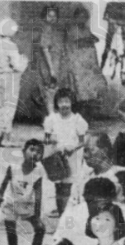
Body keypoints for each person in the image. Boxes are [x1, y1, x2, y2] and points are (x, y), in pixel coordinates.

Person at [52, 175, 125, 245]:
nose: (99, 209)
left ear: (112, 200)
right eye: (94, 203)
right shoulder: (71, 215)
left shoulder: (123, 211)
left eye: (104, 203)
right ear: (85, 199)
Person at [0, 139, 46, 245]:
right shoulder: (13, 168)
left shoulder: (38, 172)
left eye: (39, 152)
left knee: (41, 228)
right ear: (23, 151)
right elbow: (3, 184)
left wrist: (36, 215)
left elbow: (38, 195)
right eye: (32, 149)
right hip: (11, 204)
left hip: (27, 205)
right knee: (11, 235)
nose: (35, 154)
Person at [43, 87, 88, 216]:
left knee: (67, 188)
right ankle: (61, 212)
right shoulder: (52, 119)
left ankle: (65, 214)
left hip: (71, 157)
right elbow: (45, 140)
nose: (64, 105)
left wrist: (73, 147)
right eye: (61, 102)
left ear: (72, 102)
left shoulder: (78, 120)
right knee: (58, 186)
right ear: (56, 103)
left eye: (67, 101)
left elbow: (83, 141)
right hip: (56, 158)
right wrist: (51, 139)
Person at [65, 6, 110, 122]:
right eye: (80, 17)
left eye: (85, 17)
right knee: (80, 94)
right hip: (78, 65)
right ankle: (79, 119)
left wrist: (90, 39)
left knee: (93, 91)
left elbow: (94, 38)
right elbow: (77, 42)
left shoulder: (85, 29)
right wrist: (88, 40)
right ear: (75, 18)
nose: (83, 20)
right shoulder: (72, 29)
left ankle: (88, 118)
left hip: (89, 65)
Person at [0, 19, 29, 145]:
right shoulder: (10, 46)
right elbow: (17, 66)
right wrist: (24, 60)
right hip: (9, 77)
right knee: (8, 107)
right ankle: (5, 137)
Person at [36, 5, 68, 117]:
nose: (52, 18)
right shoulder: (46, 29)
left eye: (54, 16)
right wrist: (51, 69)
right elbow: (45, 50)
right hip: (48, 63)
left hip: (55, 62)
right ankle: (50, 117)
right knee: (50, 91)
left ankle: (51, 116)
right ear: (44, 16)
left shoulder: (54, 29)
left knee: (52, 91)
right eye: (49, 16)